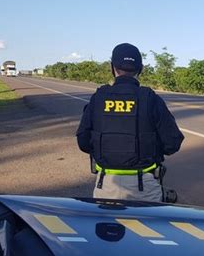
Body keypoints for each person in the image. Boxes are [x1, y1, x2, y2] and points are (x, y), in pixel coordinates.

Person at [76, 43, 184, 202]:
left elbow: (83, 142)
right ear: (140, 69)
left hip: (106, 186)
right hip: (145, 189)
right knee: (146, 228)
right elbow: (172, 143)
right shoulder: (150, 99)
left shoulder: (98, 98)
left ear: (112, 67)